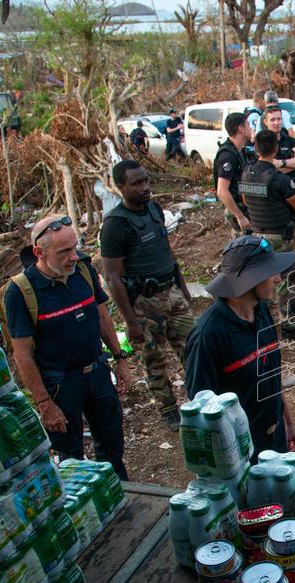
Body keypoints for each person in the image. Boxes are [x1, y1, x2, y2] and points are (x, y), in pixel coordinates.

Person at [4, 216, 131, 480]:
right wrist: (44, 403)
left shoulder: (83, 271)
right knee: (71, 459)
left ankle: (121, 493)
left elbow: (102, 317)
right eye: (64, 252)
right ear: (39, 252)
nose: (73, 256)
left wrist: (119, 358)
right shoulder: (21, 291)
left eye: (75, 247)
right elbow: (22, 354)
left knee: (112, 449)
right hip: (60, 385)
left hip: (97, 372)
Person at [184, 236, 295, 458]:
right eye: (270, 272)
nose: (278, 278)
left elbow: (272, 374)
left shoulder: (261, 310)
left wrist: (287, 423)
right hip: (240, 450)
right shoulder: (207, 335)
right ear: (249, 280)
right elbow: (201, 410)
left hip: (275, 437)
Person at [101, 160, 195, 428]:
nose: (145, 187)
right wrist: (131, 321)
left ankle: (201, 397)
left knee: (193, 347)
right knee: (155, 360)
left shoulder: (154, 210)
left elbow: (168, 252)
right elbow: (112, 277)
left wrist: (183, 288)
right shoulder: (115, 225)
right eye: (137, 183)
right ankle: (168, 409)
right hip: (143, 303)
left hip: (172, 292)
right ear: (121, 187)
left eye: (146, 181)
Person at [239, 130, 295, 339]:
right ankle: (287, 324)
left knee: (259, 280)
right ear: (276, 150)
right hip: (280, 238)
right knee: (285, 281)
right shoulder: (279, 180)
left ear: (256, 149)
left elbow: (245, 200)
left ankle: (256, 321)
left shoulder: (247, 173)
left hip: (257, 236)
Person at [214, 111, 253, 236]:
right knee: (243, 243)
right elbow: (222, 191)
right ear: (241, 129)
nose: (251, 128)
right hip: (236, 207)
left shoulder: (239, 151)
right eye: (248, 125)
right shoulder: (228, 155)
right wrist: (240, 216)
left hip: (244, 204)